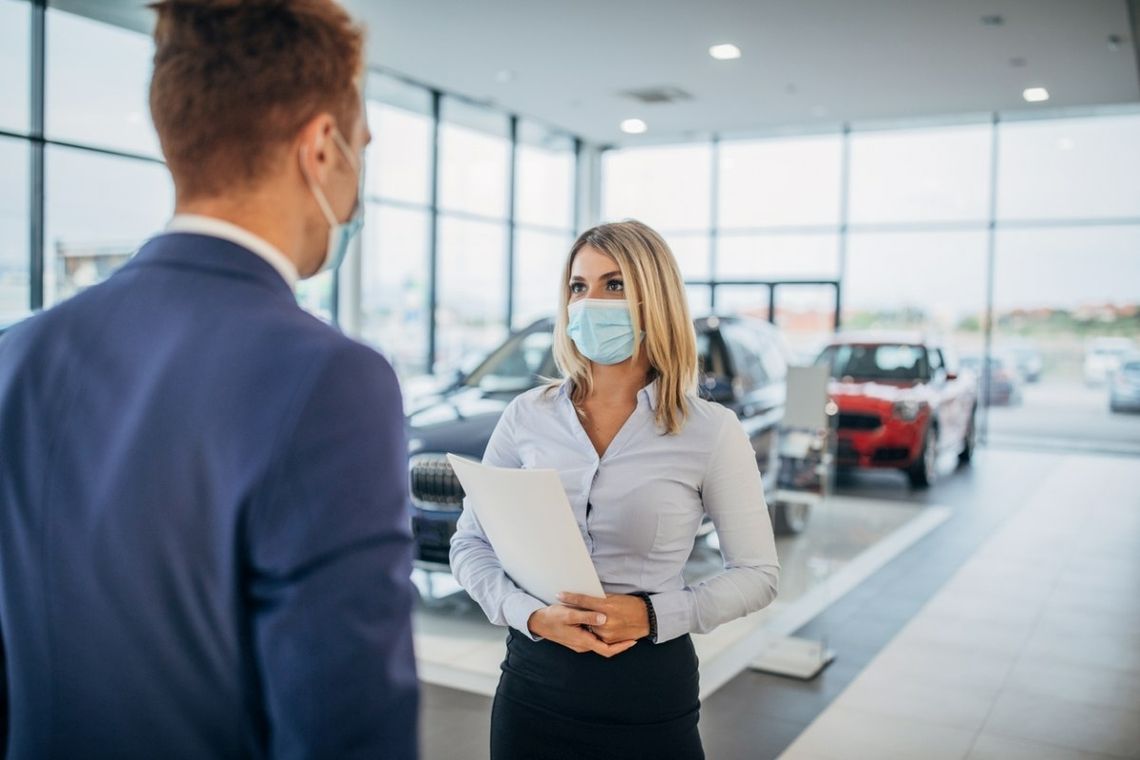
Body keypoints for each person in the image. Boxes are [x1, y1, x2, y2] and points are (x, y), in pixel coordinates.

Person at [0, 1, 418, 757]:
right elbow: (346, 724)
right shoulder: (333, 380)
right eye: (361, 146)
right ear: (322, 147)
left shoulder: (19, 354)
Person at [450, 220, 780, 760]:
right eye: (579, 287)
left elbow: (758, 575)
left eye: (615, 285)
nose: (591, 302)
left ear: (656, 299)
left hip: (646, 692)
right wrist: (526, 613)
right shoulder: (526, 417)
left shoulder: (709, 429)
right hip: (533, 685)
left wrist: (655, 614)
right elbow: (470, 544)